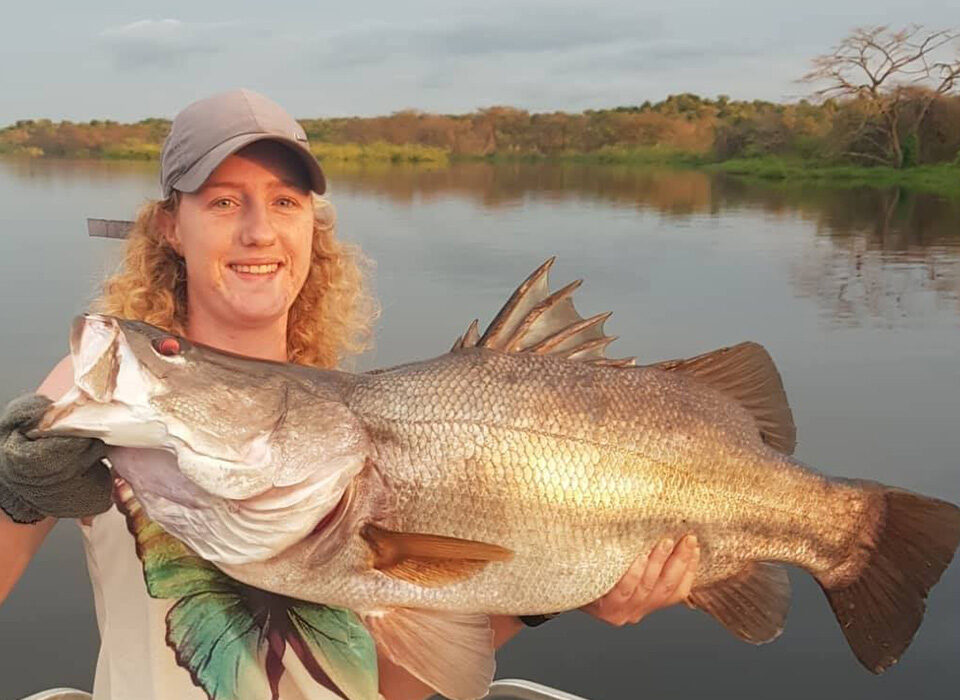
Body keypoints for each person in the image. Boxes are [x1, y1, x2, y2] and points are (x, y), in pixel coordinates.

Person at [0, 89, 700, 699]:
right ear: (169, 226)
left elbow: (380, 687)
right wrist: (14, 492)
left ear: (312, 226)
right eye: (222, 200)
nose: (258, 230)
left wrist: (542, 598)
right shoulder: (111, 391)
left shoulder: (346, 425)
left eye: (284, 200)